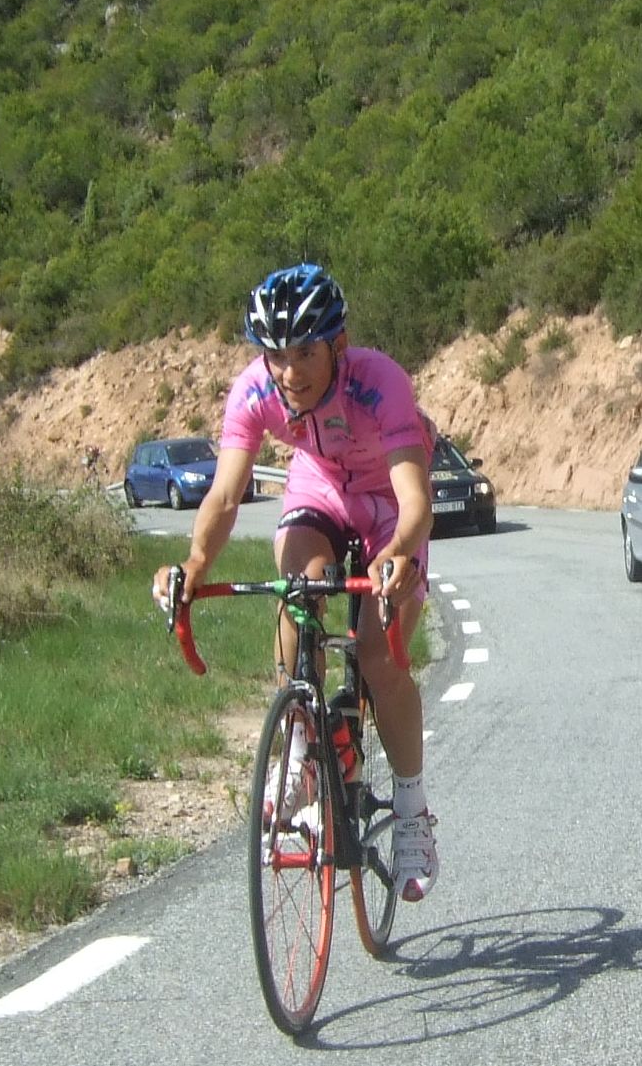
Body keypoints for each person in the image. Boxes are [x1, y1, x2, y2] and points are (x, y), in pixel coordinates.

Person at [151, 263, 439, 902]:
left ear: (338, 344)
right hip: (320, 488)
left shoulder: (380, 382)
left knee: (377, 655)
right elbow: (225, 496)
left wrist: (396, 557)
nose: (290, 371)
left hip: (388, 500)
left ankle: (413, 813)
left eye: (306, 352)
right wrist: (194, 565)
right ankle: (300, 741)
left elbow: (416, 503)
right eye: (276, 354)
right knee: (298, 589)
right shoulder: (253, 391)